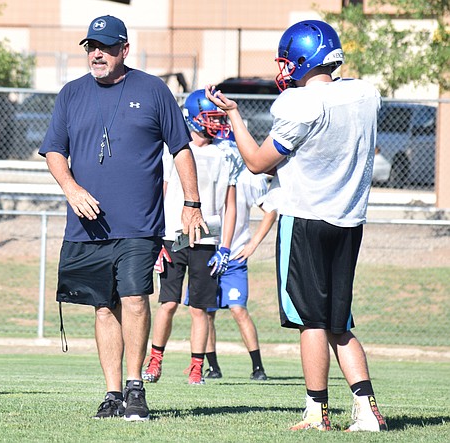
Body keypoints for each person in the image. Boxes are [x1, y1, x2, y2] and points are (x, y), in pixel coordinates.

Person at [205, 20, 387, 432]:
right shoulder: (364, 94)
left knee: (312, 322)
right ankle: (367, 410)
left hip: (306, 218)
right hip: (349, 221)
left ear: (303, 58)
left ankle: (316, 411)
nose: (284, 68)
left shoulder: (300, 104)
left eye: (289, 59)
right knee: (340, 322)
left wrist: (234, 116)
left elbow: (256, 162)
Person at [39, 15, 206, 421]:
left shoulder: (153, 91)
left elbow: (181, 148)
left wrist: (192, 202)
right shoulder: (72, 93)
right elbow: (54, 151)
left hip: (138, 223)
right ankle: (112, 393)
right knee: (102, 307)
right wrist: (72, 189)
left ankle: (135, 387)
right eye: (91, 46)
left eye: (106, 46)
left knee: (134, 299)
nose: (97, 53)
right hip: (87, 225)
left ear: (123, 49)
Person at [142, 89, 240, 385]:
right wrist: (157, 237)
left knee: (200, 309)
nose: (218, 123)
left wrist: (225, 246)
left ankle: (196, 367)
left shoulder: (227, 154)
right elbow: (163, 193)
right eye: (212, 117)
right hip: (174, 236)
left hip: (207, 239)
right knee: (168, 304)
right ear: (194, 118)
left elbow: (229, 204)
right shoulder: (176, 148)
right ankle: (155, 360)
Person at [204, 167, 277, 382]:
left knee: (238, 310)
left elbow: (270, 211)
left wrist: (252, 244)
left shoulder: (248, 176)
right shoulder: (207, 164)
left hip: (234, 258)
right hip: (206, 255)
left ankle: (258, 367)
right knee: (205, 312)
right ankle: (212, 366)